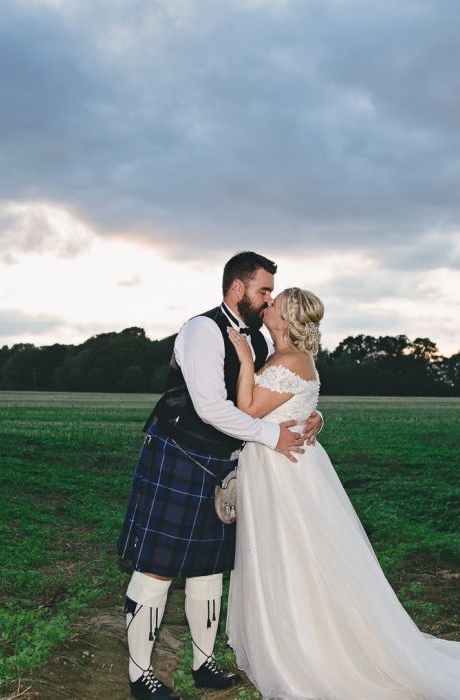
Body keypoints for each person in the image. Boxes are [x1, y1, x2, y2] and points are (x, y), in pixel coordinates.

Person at [223, 288, 460, 700]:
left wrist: (246, 362)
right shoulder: (288, 359)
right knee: (292, 554)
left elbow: (247, 410)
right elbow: (291, 404)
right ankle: (292, 634)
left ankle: (306, 646)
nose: (265, 304)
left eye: (274, 301)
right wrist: (312, 413)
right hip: (283, 467)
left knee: (294, 554)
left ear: (284, 320)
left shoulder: (287, 361)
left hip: (283, 474)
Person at [116, 252, 326, 700]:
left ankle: (204, 663)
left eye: (271, 292)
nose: (268, 298)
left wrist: (312, 414)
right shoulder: (202, 331)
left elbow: (279, 391)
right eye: (264, 290)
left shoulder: (263, 341)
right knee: (157, 568)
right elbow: (212, 408)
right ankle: (140, 675)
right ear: (238, 288)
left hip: (226, 466)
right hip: (179, 454)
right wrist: (271, 436)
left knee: (210, 569)